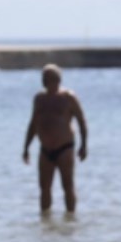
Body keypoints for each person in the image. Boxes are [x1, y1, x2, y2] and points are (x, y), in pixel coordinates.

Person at [22, 64, 88, 213]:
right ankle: (45, 221)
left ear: (57, 80)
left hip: (64, 148)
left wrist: (84, 145)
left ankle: (71, 219)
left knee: (67, 186)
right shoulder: (39, 99)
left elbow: (81, 121)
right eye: (43, 78)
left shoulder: (68, 97)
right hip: (45, 149)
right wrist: (26, 148)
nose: (45, 81)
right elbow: (33, 123)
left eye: (48, 78)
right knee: (44, 188)